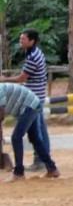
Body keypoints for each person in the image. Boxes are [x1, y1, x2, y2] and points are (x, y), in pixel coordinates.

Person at [0, 29, 51, 170]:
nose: (20, 41)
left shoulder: (33, 56)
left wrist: (4, 79)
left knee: (35, 132)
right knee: (38, 131)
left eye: (23, 39)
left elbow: (22, 78)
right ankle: (45, 162)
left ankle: (39, 161)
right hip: (35, 95)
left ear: (31, 41)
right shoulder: (33, 53)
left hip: (33, 97)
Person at [0, 81, 59, 182]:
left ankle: (19, 173)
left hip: (29, 106)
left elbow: (1, 112)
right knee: (35, 138)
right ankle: (52, 169)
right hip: (32, 104)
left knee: (16, 137)